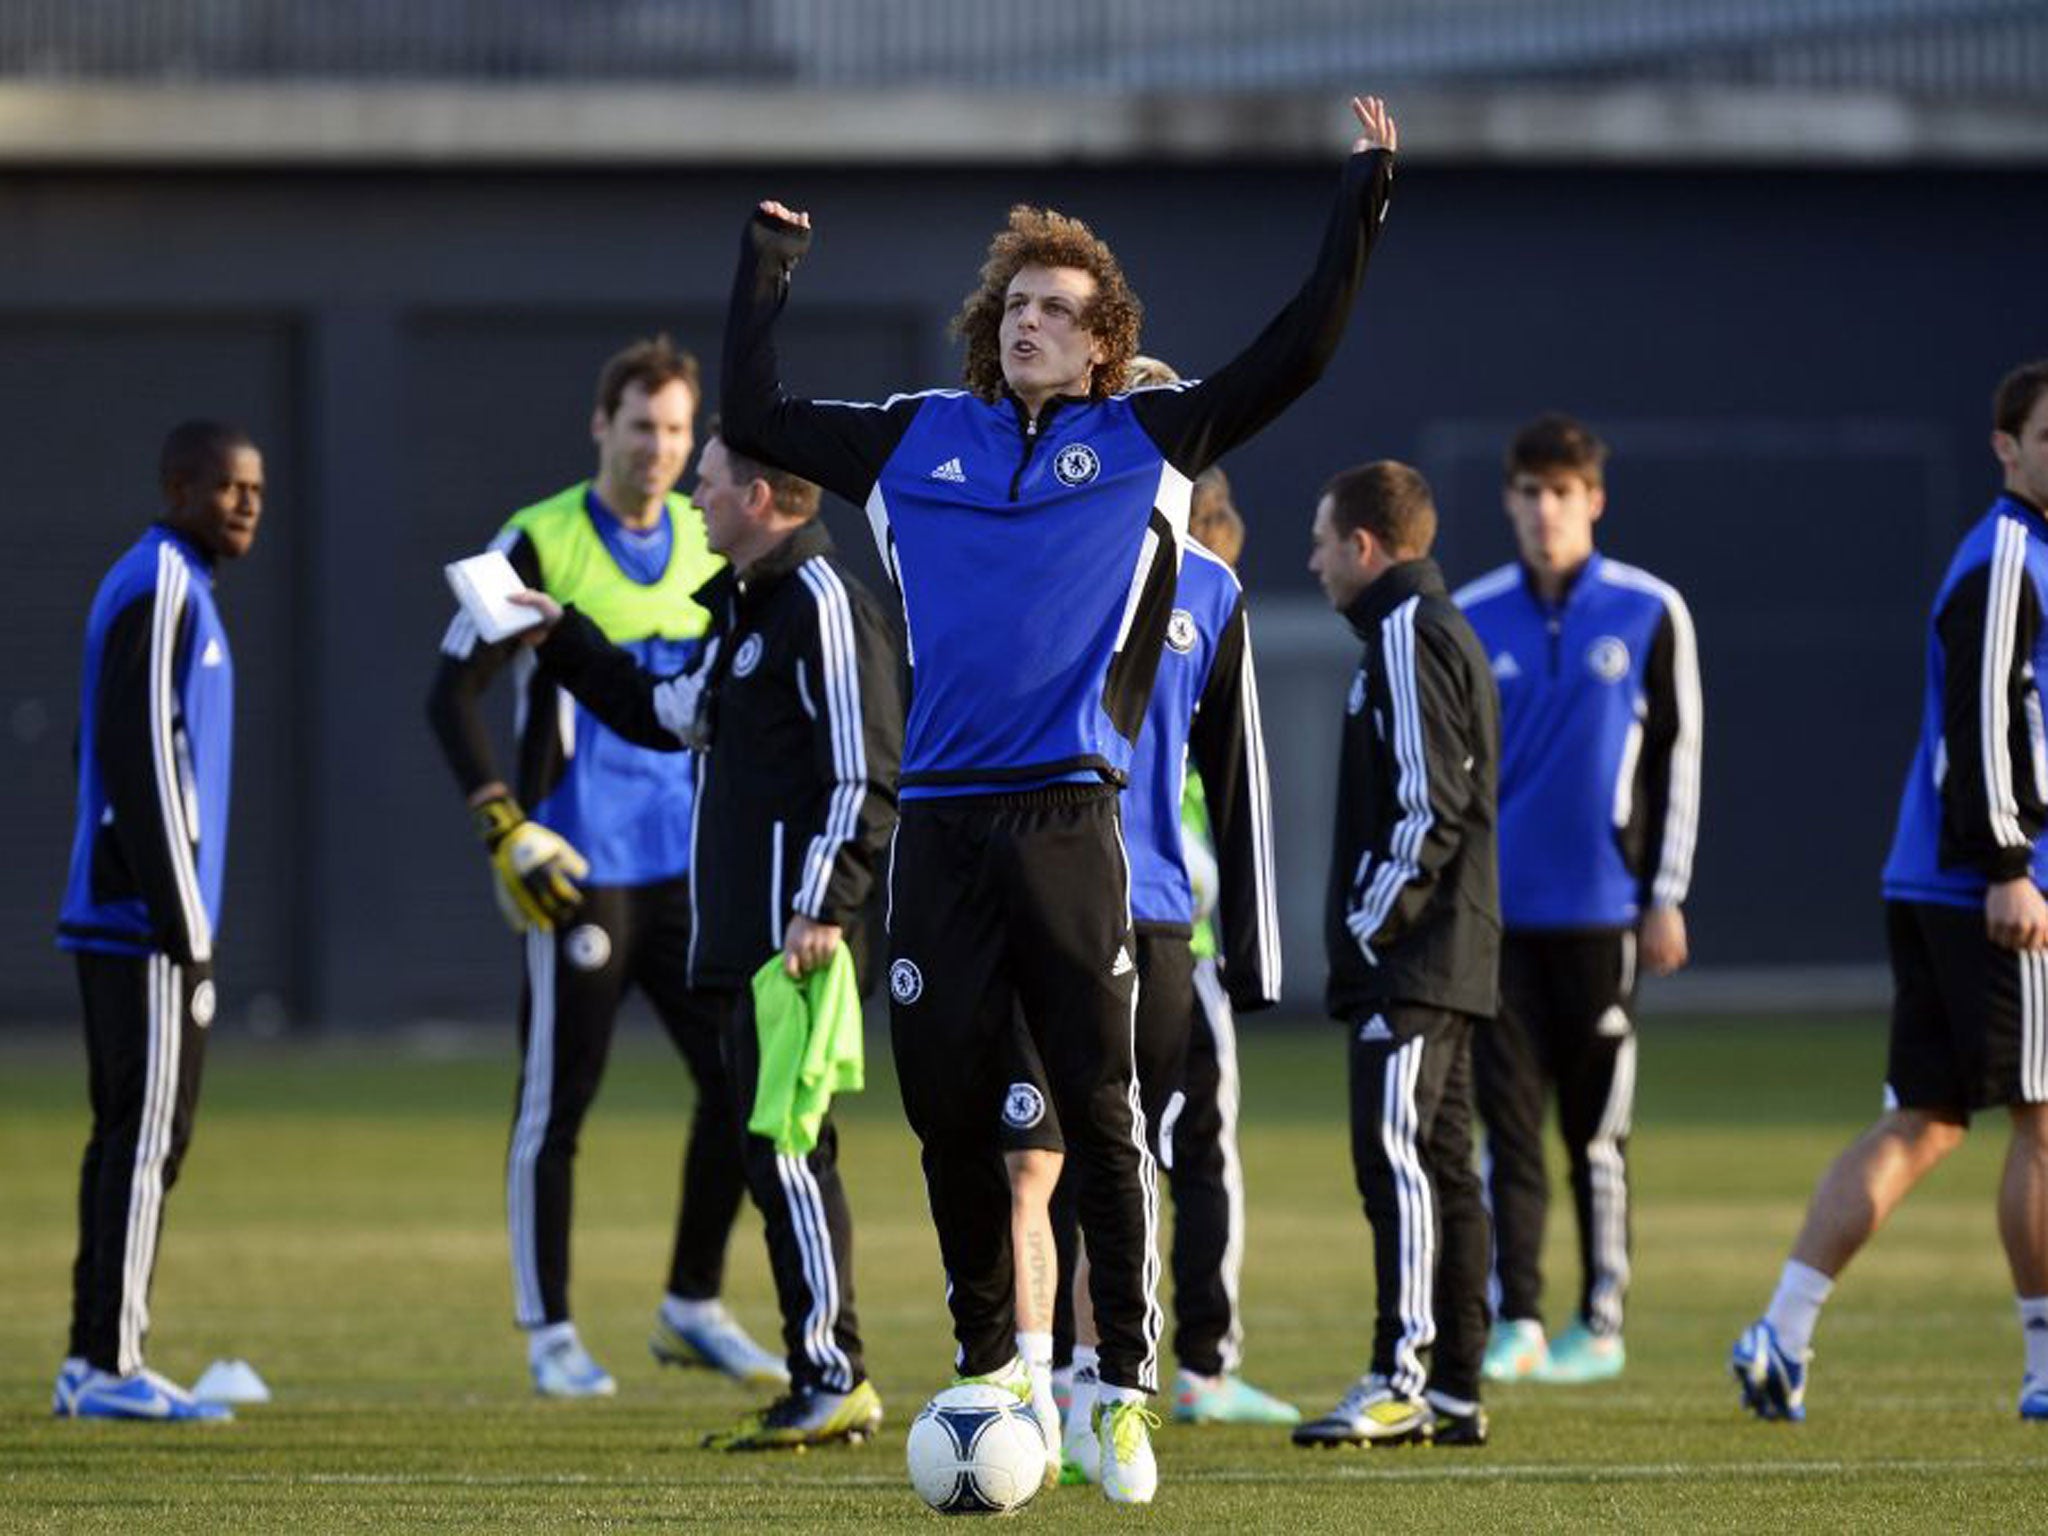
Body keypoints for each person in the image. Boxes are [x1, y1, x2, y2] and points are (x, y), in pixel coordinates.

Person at [721, 94, 1400, 1505]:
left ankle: (1124, 1388)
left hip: (1071, 824)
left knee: (1101, 1111)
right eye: (1016, 302)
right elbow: (755, 417)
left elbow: (1304, 347)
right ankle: (991, 1365)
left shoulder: (1153, 436)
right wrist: (767, 277)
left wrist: (1362, 199)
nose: (1030, 320)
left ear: (1104, 339)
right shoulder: (916, 438)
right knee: (948, 1113)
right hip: (943, 828)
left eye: (1060, 309)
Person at [511, 430, 903, 1450]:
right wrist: (562, 636)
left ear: (765, 496)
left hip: (797, 942)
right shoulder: (746, 612)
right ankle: (822, 1370)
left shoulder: (818, 602)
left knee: (788, 1152)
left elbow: (866, 774)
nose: (694, 492)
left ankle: (833, 1375)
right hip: (748, 941)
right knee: (765, 1153)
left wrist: (823, 905)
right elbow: (665, 712)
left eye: (713, 479)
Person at [425, 337, 778, 1397]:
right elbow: (447, 693)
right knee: (558, 1102)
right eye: (640, 426)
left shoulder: (706, 531)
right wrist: (502, 822)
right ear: (600, 427)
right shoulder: (533, 541)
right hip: (578, 868)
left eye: (677, 429)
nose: (660, 449)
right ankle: (549, 1332)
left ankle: (691, 1304)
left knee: (736, 1085)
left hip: (688, 871)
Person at [1731, 360, 2048, 1426]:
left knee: (1921, 1122)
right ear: (2004, 446)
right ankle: (2046, 1366)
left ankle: (1778, 1331)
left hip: (1939, 876)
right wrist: (2006, 867)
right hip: (1989, 887)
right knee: (2042, 1125)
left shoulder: (2024, 555)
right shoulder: (2005, 556)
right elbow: (1981, 725)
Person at [1454, 414, 1702, 1385]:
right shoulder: (1473, 614)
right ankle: (1512, 1317)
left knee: (1592, 1133)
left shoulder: (1649, 611)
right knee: (1502, 1130)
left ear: (1592, 501)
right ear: (1508, 502)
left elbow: (1679, 759)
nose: (1541, 510)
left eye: (1559, 493)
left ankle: (1597, 1324)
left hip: (1606, 915)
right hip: (1499, 921)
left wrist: (1665, 894)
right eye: (1525, 492)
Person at [53, 421, 264, 1421]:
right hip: (144, 924)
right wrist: (186, 926)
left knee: (135, 1139)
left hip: (139, 915)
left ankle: (92, 1358)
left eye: (256, 489)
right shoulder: (163, 585)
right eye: (228, 487)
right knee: (145, 1140)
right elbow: (136, 759)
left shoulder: (178, 587)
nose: (248, 505)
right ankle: (109, 1366)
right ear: (178, 486)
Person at [1294, 461, 1500, 1450]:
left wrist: (1371, 926)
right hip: (1443, 956)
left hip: (1415, 963)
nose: (1313, 560)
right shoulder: (1417, 631)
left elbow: (1430, 805)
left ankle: (1401, 1375)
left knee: (1400, 1162)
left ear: (1365, 547)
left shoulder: (1407, 634)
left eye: (1323, 540)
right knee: (1443, 1166)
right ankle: (1455, 1384)